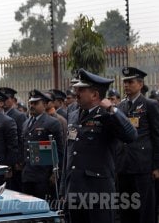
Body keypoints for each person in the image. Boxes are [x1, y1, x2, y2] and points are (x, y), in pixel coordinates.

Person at [60, 68, 137, 223]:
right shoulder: (73, 114)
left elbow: (131, 136)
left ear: (95, 95)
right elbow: (70, 154)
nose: (76, 93)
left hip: (98, 193)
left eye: (81, 89)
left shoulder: (107, 115)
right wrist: (64, 190)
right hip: (75, 191)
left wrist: (112, 109)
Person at [116, 67, 159, 223]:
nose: (126, 85)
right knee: (126, 209)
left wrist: (157, 166)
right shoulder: (120, 107)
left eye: (130, 82)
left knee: (145, 209)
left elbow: (157, 136)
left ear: (140, 84)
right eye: (125, 82)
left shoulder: (150, 105)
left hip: (143, 166)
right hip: (123, 165)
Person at [21, 89, 64, 200]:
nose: (32, 106)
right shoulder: (26, 123)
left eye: (36, 103)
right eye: (30, 103)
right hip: (28, 174)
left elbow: (59, 150)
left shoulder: (52, 123)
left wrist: (56, 172)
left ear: (44, 104)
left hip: (43, 175)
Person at [0, 87, 27, 192]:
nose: (4, 101)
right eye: (2, 99)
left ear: (13, 100)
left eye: (7, 98)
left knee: (15, 188)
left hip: (15, 162)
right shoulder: (0, 115)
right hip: (2, 158)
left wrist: (18, 160)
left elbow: (21, 139)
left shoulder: (19, 116)